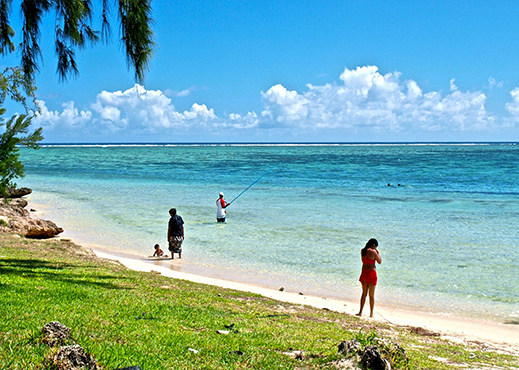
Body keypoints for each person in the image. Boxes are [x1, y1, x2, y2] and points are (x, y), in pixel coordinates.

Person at [356, 238, 382, 318]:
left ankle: (360, 312)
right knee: (371, 295)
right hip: (371, 273)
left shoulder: (362, 251)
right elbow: (379, 261)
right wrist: (377, 252)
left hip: (364, 272)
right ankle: (371, 314)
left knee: (364, 294)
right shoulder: (374, 252)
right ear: (374, 245)